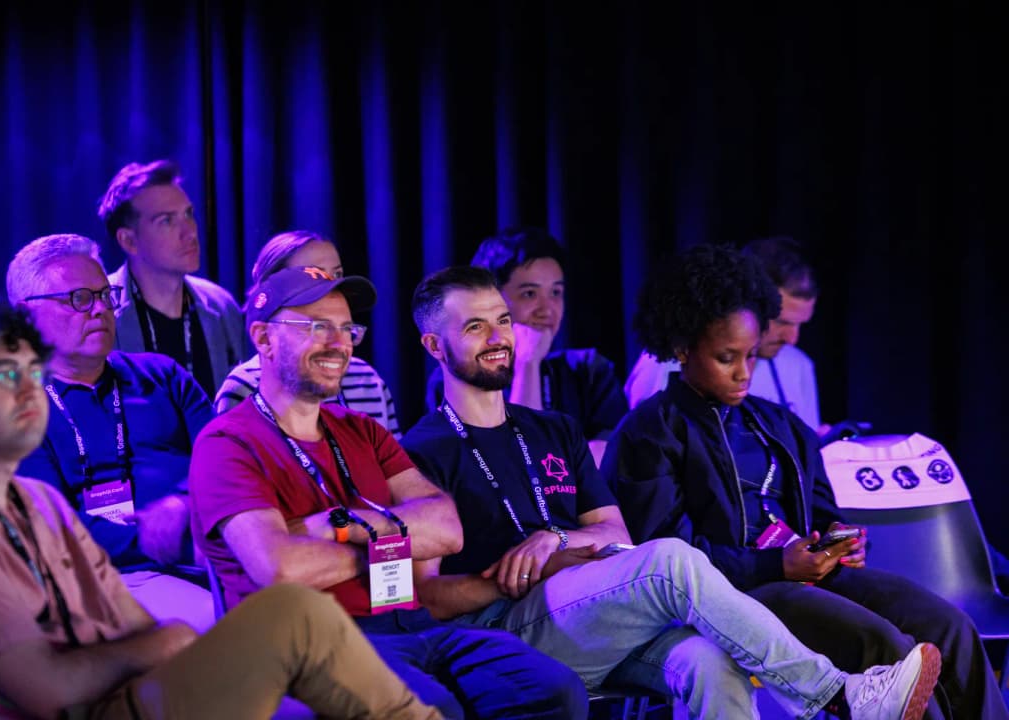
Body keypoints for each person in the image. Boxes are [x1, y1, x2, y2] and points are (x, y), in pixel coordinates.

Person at [401, 264, 941, 720]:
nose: (498, 337)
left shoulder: (554, 429)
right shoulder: (422, 451)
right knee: (669, 561)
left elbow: (613, 532)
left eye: (501, 320)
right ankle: (839, 694)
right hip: (502, 630)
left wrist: (555, 541)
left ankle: (843, 696)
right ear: (433, 345)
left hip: (590, 615)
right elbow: (427, 596)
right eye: (475, 327)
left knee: (712, 662)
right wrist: (527, 573)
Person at [0, 295, 440, 720]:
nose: (28, 390)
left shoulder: (39, 500)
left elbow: (135, 623)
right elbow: (49, 690)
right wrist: (163, 645)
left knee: (297, 620)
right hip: (91, 709)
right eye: (3, 376)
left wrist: (167, 644)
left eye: (31, 372)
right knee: (293, 625)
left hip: (132, 689)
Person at [603, 243, 1007, 720]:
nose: (743, 373)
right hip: (729, 596)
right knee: (884, 645)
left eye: (752, 356)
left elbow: (822, 511)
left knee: (949, 625)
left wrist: (842, 541)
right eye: (726, 358)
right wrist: (776, 564)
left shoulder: (780, 424)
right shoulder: (650, 432)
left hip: (803, 575)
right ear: (682, 349)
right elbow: (668, 556)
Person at [189, 265, 588, 719]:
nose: (339, 343)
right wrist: (390, 545)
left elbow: (446, 528)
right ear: (263, 337)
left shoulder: (363, 431)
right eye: (317, 327)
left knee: (554, 690)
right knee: (433, 707)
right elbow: (279, 569)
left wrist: (336, 525)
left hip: (414, 626)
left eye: (347, 329)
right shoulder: (228, 443)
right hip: (314, 640)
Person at [7, 233, 215, 631]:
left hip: (208, 549)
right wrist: (159, 543)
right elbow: (52, 526)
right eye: (79, 299)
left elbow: (225, 462)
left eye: (106, 295)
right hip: (109, 576)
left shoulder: (162, 375)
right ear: (25, 317)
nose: (101, 309)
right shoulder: (18, 408)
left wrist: (182, 505)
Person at [424, 226, 626, 466]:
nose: (547, 309)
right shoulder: (459, 374)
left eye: (556, 292)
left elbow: (607, 460)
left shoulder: (588, 370)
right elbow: (514, 469)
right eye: (529, 294)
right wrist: (527, 363)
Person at [624, 235, 827, 436]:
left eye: (800, 324)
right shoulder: (667, 363)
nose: (792, 339)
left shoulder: (799, 365)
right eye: (782, 322)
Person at [214, 229, 401, 437]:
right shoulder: (245, 387)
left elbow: (392, 454)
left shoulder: (367, 378)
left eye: (337, 275)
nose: (330, 286)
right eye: (313, 274)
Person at [98, 159, 245, 399]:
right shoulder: (100, 311)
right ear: (129, 241)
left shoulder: (221, 305)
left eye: (188, 214)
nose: (190, 232)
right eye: (167, 220)